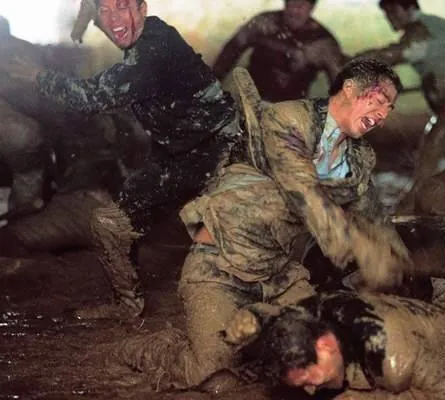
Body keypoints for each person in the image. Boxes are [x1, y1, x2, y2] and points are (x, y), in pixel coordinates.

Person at [109, 59, 414, 391]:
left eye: (389, 109)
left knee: (319, 354)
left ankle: (252, 344)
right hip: (219, 268)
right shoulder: (287, 118)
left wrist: (401, 266)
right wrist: (360, 250)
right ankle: (150, 350)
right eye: (379, 100)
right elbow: (302, 189)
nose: (383, 115)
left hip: (280, 275)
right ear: (350, 88)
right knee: (215, 378)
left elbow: (373, 216)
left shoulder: (359, 158)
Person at [2, 0, 238, 320]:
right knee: (109, 224)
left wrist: (38, 76)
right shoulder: (139, 35)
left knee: (231, 242)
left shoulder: (154, 49)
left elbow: (93, 96)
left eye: (122, 7)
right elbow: (116, 24)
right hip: (178, 157)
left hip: (221, 151)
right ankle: (128, 305)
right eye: (104, 11)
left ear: (142, 9)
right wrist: (90, 14)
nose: (113, 19)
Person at [224, 289, 445, 399]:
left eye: (309, 380)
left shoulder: (394, 360)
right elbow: (280, 316)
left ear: (326, 345)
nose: (311, 390)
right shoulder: (311, 314)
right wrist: (256, 317)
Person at [356, 0, 445, 212]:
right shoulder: (430, 26)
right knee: (432, 144)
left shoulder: (421, 30)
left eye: (392, 11)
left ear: (408, 8)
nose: (389, 17)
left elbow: (390, 56)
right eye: (386, 12)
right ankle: (412, 202)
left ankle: (411, 204)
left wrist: (352, 62)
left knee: (434, 141)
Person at [212, 0, 345, 102]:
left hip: (291, 114)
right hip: (249, 102)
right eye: (292, 3)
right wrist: (210, 91)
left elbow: (342, 90)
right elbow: (227, 56)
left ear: (311, 7)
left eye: (301, 5)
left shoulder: (324, 43)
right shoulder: (263, 24)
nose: (295, 10)